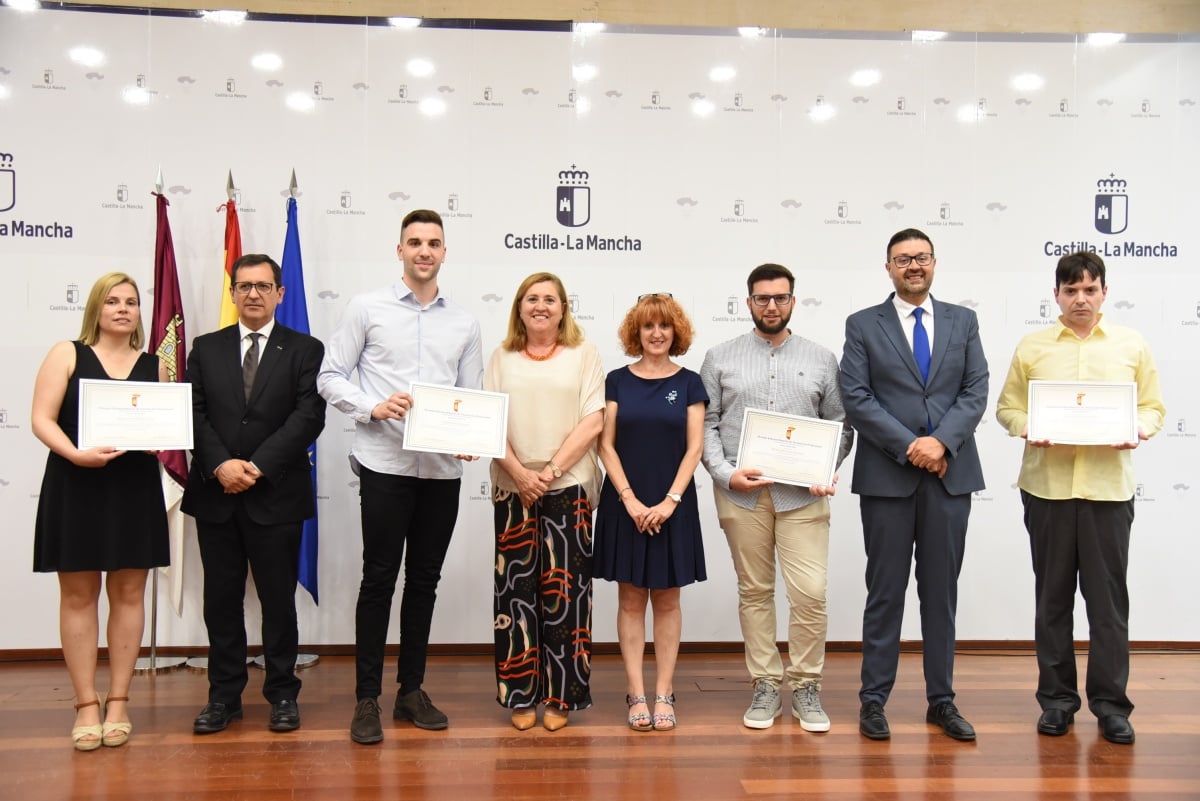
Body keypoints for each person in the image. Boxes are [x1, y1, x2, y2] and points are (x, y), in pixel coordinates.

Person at [318, 209, 484, 744]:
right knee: (378, 579)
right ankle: (367, 697)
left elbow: (470, 398)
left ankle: (410, 691)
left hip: (440, 471)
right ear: (399, 250)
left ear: (444, 251)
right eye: (414, 242)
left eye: (434, 242)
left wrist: (470, 439)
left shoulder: (464, 322)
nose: (424, 251)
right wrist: (372, 406)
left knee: (425, 583)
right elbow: (329, 376)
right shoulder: (367, 308)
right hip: (384, 464)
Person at [996, 251, 1164, 745]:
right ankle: (1057, 702)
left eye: (1090, 290)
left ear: (1104, 293)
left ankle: (1112, 706)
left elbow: (1154, 407)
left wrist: (1138, 428)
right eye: (1071, 291)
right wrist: (1029, 427)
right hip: (1046, 488)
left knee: (1108, 605)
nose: (1081, 299)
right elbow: (1007, 408)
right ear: (1056, 296)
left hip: (1108, 492)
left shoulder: (1131, 345)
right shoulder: (1033, 346)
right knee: (1051, 601)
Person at [840, 228, 988, 742]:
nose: (913, 266)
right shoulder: (862, 324)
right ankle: (873, 701)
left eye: (921, 258)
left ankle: (941, 702)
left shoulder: (963, 321)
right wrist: (911, 446)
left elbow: (975, 390)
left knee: (940, 594)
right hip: (888, 479)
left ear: (934, 263)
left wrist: (941, 443)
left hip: (950, 476)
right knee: (884, 593)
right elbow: (857, 397)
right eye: (903, 260)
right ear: (888, 268)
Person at [700, 264, 854, 732]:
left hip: (802, 498)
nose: (772, 305)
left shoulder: (823, 359)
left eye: (781, 298)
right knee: (755, 592)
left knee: (811, 594)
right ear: (748, 303)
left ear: (793, 301)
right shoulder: (719, 357)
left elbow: (841, 427)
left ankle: (806, 684)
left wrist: (824, 469)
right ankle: (766, 683)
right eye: (762, 298)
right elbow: (706, 424)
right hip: (742, 497)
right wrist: (727, 475)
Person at [183, 254, 326, 735]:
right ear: (233, 293)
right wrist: (222, 464)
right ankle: (224, 697)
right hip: (216, 494)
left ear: (280, 294)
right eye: (244, 286)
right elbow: (193, 414)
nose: (254, 295)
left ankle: (283, 693)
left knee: (279, 602)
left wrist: (258, 466)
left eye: (264, 286)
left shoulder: (305, 349)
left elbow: (308, 417)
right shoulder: (205, 348)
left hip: (277, 495)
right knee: (221, 602)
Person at [31, 272, 169, 751]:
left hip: (133, 487)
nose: (123, 308)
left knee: (130, 593)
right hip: (75, 482)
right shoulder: (66, 353)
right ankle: (86, 704)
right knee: (78, 594)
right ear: (96, 307)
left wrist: (161, 441)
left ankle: (119, 702)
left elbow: (165, 427)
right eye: (112, 301)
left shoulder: (156, 365)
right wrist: (75, 454)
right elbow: (41, 419)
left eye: (131, 301)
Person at [486, 271, 604, 732]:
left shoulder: (584, 354)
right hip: (512, 486)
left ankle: (561, 698)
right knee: (515, 596)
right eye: (531, 298)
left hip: (568, 485)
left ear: (563, 309)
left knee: (566, 596)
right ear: (519, 307)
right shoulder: (502, 356)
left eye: (550, 299)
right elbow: (488, 420)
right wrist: (519, 474)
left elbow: (593, 420)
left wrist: (549, 472)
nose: (541, 305)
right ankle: (520, 696)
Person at [594, 294, 708, 732]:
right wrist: (630, 500)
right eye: (648, 327)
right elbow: (606, 444)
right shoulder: (617, 381)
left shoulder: (692, 382)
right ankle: (635, 693)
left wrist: (668, 502)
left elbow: (695, 447)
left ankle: (664, 693)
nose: (656, 334)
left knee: (667, 598)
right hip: (626, 503)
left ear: (675, 332)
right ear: (635, 333)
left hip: (673, 505)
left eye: (664, 326)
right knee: (628, 598)